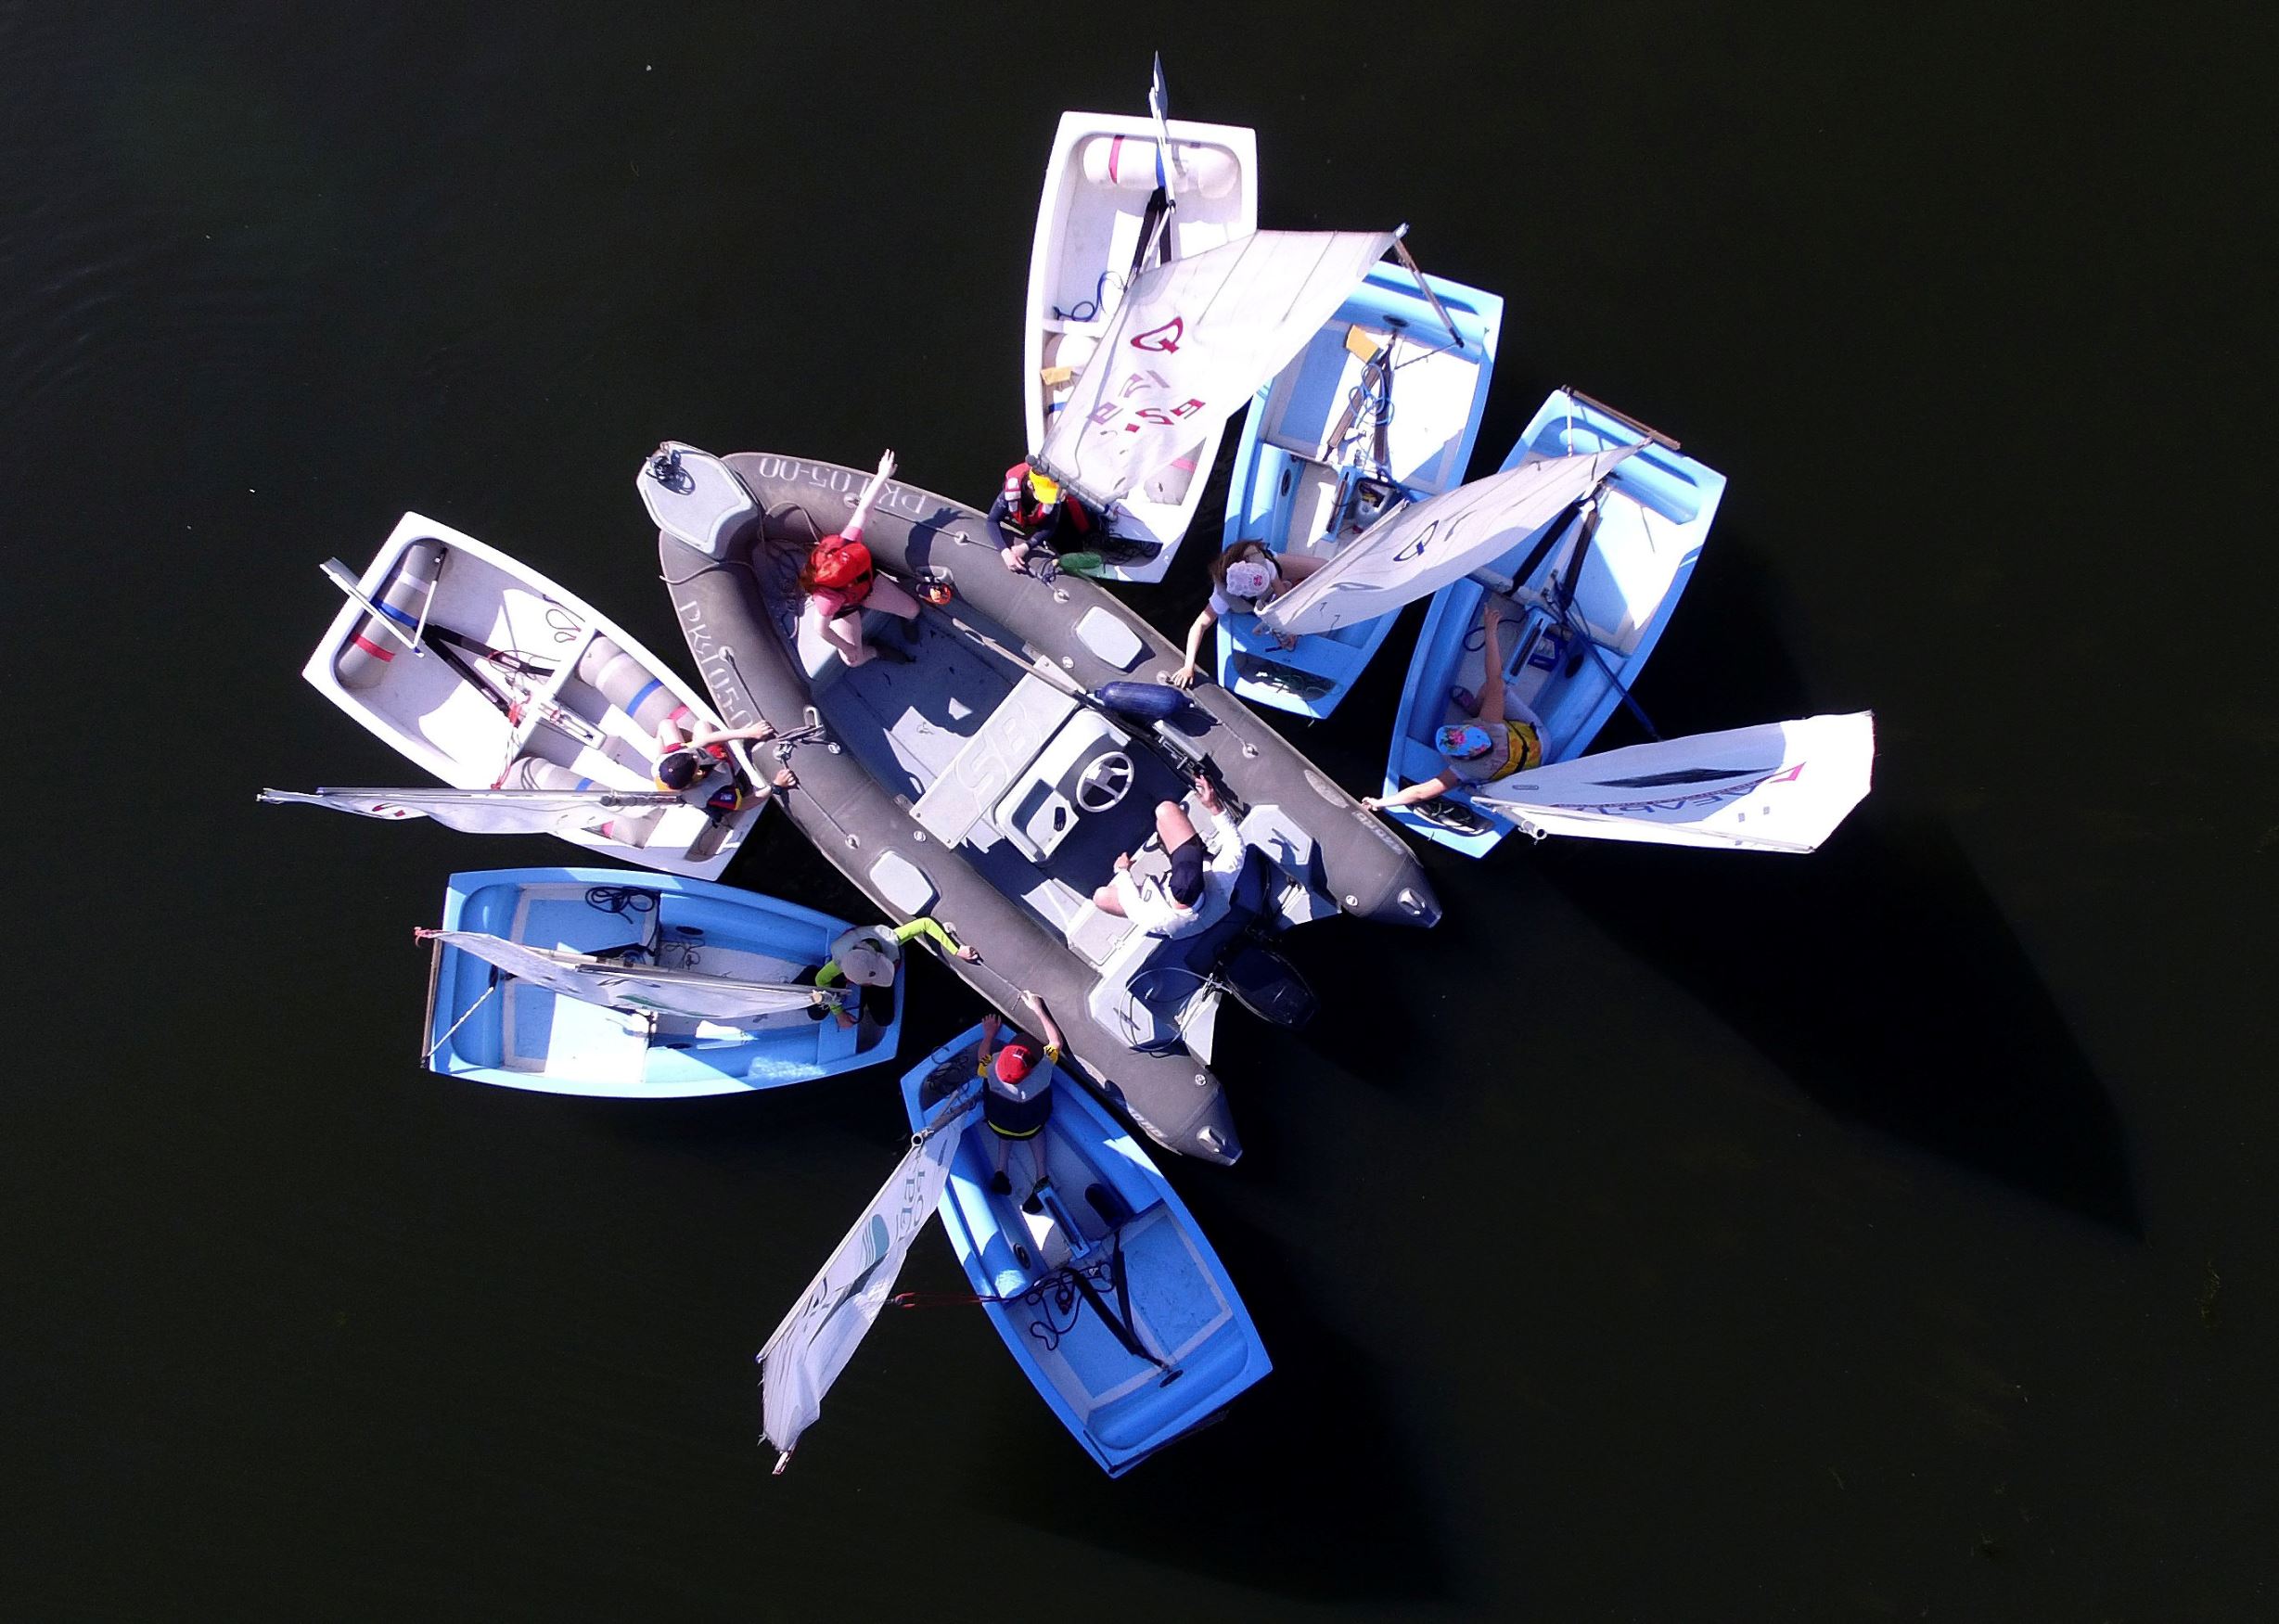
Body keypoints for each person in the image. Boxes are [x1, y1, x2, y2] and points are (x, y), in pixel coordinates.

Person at [1362, 601, 1546, 812]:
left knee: (1492, 689)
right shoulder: (1492, 727)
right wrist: (1490, 631)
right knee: (1496, 687)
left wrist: (1381, 803)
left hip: (1530, 751)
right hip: (1539, 743)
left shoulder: (1466, 769)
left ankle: (1473, 709)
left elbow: (1422, 792)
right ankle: (1476, 708)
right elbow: (1494, 676)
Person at [800, 449, 925, 668]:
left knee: (912, 610)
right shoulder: (827, 599)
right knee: (853, 660)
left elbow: (864, 510)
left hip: (866, 587)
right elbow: (821, 628)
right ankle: (877, 651)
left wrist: (882, 475)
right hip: (844, 608)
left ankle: (906, 620)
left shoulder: (846, 543)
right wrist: (846, 647)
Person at [1090, 776, 1245, 938]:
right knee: (1165, 810)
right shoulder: (1224, 876)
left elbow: (1129, 898)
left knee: (1101, 897)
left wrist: (1122, 869)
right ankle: (1178, 844)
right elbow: (1236, 845)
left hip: (1163, 908)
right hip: (1200, 893)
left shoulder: (1154, 918)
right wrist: (1213, 806)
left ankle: (1170, 845)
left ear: (1170, 883)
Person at [1169, 539, 1330, 689]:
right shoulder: (1223, 596)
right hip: (1251, 596)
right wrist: (1188, 666)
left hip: (1273, 570)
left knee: (1325, 567)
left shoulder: (1266, 565)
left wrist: (1289, 628)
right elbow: (1200, 625)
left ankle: (1295, 582)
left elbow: (1282, 598)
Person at [803, 917, 979, 1029]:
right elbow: (822, 978)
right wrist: (838, 1013)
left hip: (875, 971)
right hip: (855, 970)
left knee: (884, 1019)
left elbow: (925, 923)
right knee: (815, 1013)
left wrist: (956, 950)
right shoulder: (839, 962)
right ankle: (809, 972)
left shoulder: (891, 938)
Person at [976, 991, 1066, 1200]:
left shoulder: (990, 1068)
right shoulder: (1042, 1070)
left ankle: (1001, 1169)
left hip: (997, 1123)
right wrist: (1038, 1009)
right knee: (1034, 1134)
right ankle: (1041, 1175)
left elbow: (982, 1056)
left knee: (1006, 1132)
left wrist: (988, 1034)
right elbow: (1056, 1043)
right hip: (1030, 1126)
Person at [987, 461, 1102, 576]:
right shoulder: (1012, 491)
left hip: (1047, 517)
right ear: (1030, 485)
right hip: (1025, 514)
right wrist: (1005, 552)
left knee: (1066, 536)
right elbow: (992, 521)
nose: (1047, 499)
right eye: (1044, 495)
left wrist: (1026, 546)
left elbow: (1050, 527)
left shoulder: (1054, 494)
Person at [650, 720, 794, 812]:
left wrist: (750, 732)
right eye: (694, 759)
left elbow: (707, 741)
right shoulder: (711, 793)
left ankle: (691, 737)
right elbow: (744, 804)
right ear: (695, 774)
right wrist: (775, 786)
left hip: (692, 773)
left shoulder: (667, 763)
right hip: (723, 772)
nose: (694, 755)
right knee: (705, 726)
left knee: (667, 725)